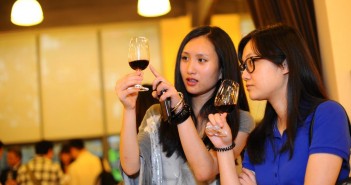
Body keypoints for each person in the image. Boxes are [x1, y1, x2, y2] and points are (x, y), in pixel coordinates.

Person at [206, 23, 351, 185]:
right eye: (243, 67)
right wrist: (224, 148)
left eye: (251, 62)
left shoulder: (328, 115)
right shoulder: (258, 137)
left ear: (285, 64)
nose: (244, 75)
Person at [115, 25, 255, 184]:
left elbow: (205, 173)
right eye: (185, 58)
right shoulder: (156, 114)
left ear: (222, 70)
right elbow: (131, 167)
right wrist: (129, 108)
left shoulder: (240, 120)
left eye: (201, 60)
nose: (190, 69)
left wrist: (180, 111)